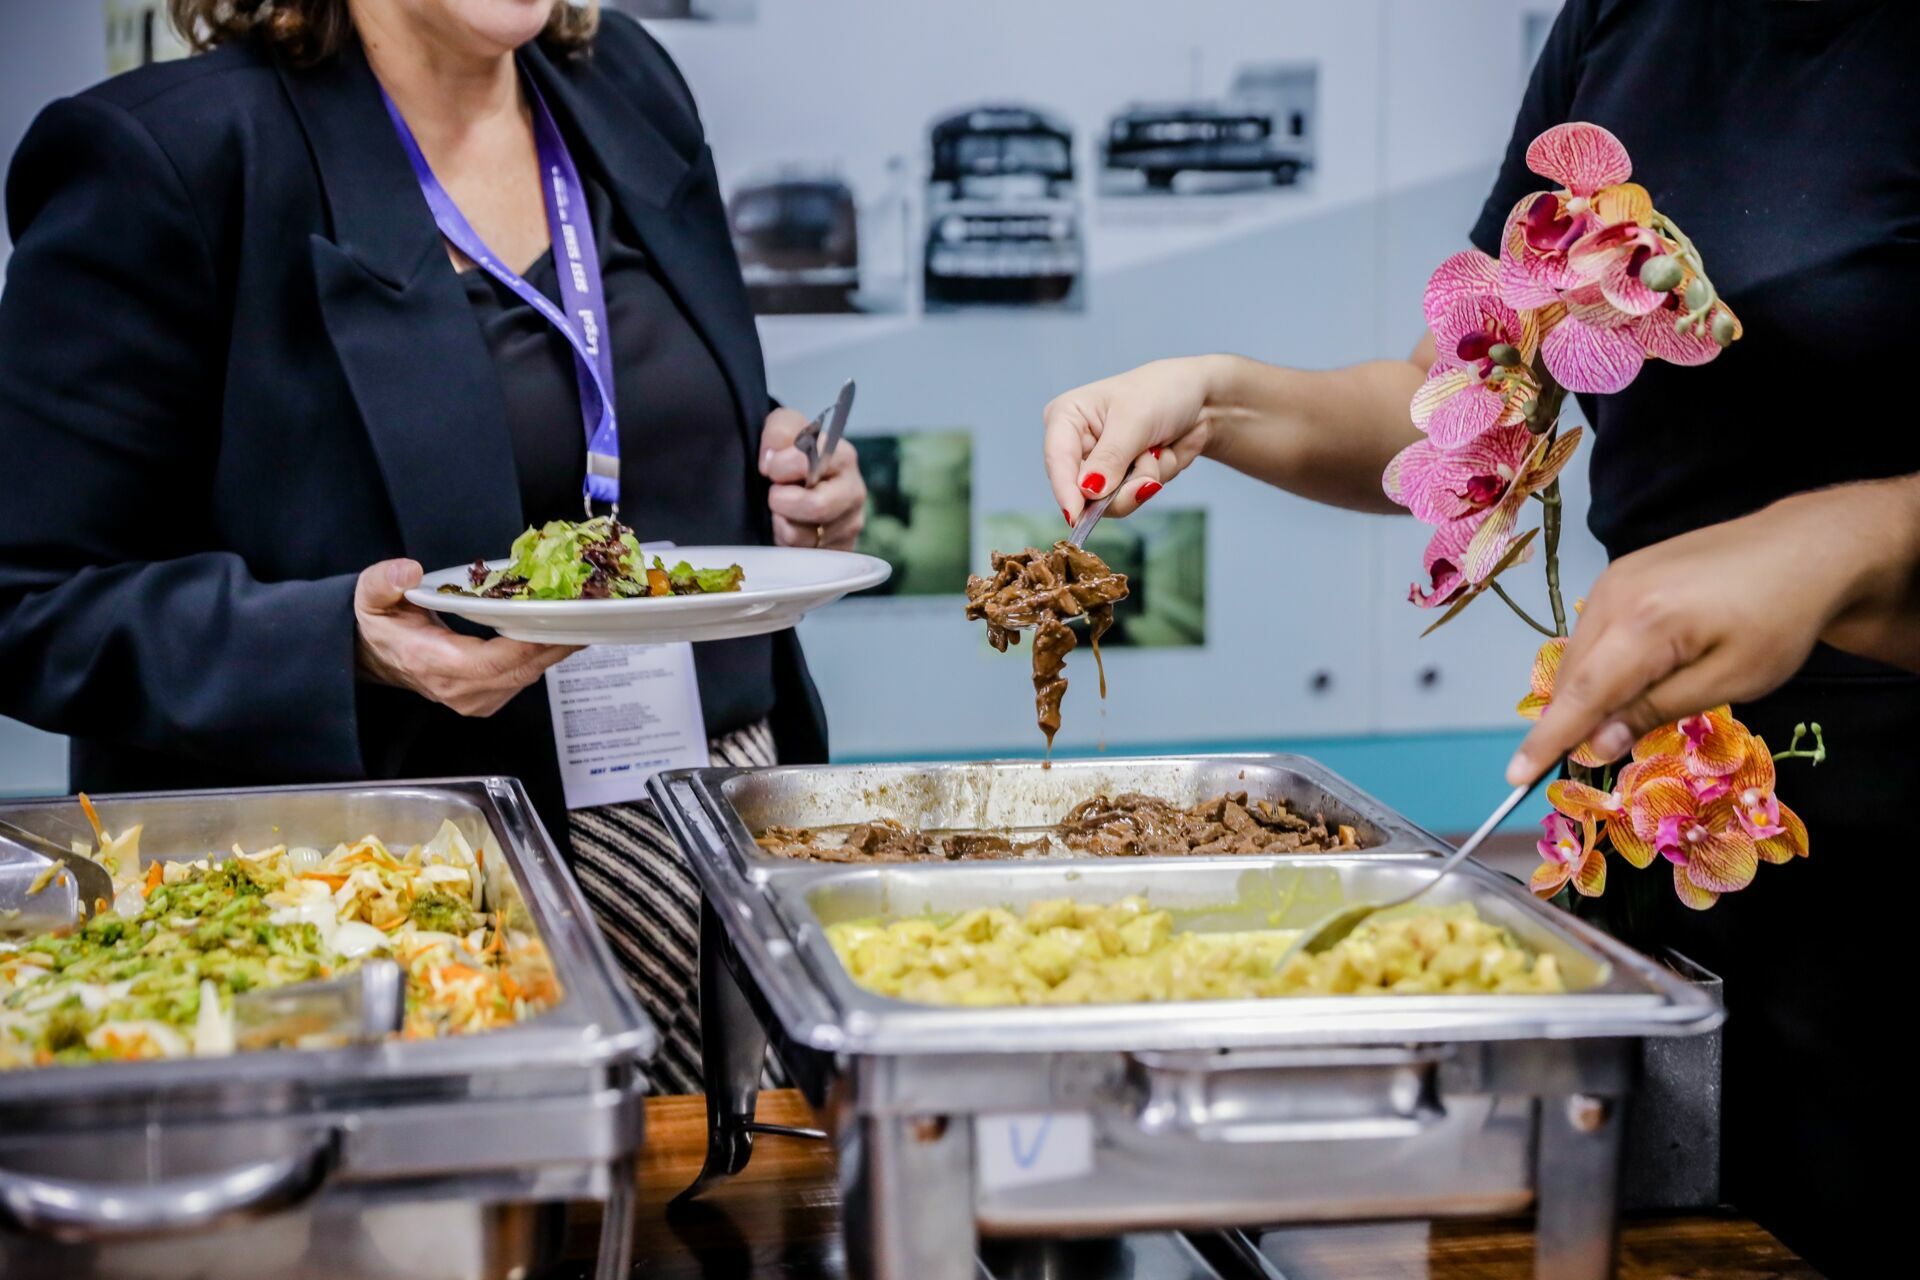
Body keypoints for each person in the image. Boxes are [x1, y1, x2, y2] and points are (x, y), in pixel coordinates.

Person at [1039, 2, 1918, 1271]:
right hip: (1663, 832)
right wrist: (1213, 396)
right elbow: (1459, 402)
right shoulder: (1625, 21)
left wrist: (1843, 547)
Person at [0, 0, 868, 1095]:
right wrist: (341, 641)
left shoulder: (623, 82)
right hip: (412, 911)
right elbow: (32, 597)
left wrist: (785, 470)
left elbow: (599, 406)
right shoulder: (167, 156)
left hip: (704, 839)